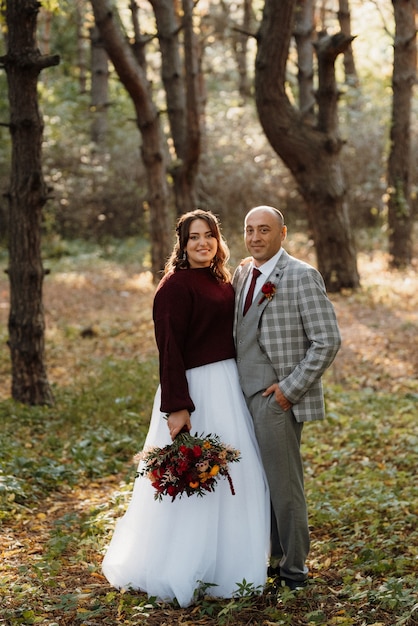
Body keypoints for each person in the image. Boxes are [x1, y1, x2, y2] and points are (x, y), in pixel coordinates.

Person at [102, 209, 270, 607]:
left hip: (228, 384)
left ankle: (227, 568)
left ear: (218, 240)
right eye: (193, 237)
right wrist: (177, 406)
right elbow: (169, 351)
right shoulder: (174, 287)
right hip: (195, 388)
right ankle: (181, 566)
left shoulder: (220, 278)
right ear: (182, 244)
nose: (202, 243)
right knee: (195, 476)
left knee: (234, 476)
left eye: (208, 236)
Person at [233, 205, 341, 590]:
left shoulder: (300, 275)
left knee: (284, 485)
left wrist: (289, 391)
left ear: (283, 233)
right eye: (250, 230)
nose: (256, 237)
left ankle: (294, 570)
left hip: (275, 399)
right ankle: (272, 558)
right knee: (258, 483)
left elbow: (327, 340)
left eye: (264, 229)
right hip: (239, 397)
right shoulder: (243, 272)